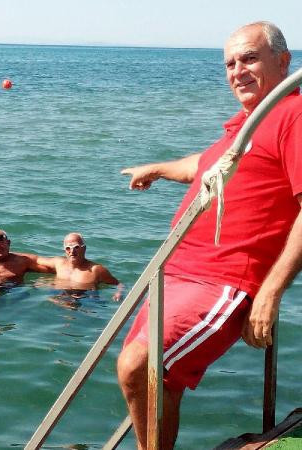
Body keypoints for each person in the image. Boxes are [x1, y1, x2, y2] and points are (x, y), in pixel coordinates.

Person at [117, 22, 301, 449]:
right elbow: (206, 164)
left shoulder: (293, 115)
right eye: (230, 64)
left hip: (221, 279)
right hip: (175, 274)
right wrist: (158, 168)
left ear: (283, 62)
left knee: (137, 365)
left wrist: (270, 292)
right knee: (158, 381)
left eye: (249, 58)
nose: (238, 71)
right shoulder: (248, 125)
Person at [36, 232, 120, 287]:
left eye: (76, 247)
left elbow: (118, 284)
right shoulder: (58, 263)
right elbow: (36, 259)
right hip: (60, 297)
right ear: (65, 250)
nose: (72, 251)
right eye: (68, 248)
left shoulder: (96, 270)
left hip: (85, 299)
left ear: (84, 248)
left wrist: (118, 293)